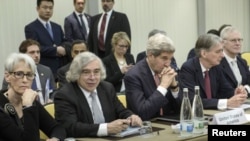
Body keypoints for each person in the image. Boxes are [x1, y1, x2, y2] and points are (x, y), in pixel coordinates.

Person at [54, 52, 142, 137]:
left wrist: (131, 116)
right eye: (86, 72)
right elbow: (70, 128)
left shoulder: (107, 88)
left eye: (96, 72)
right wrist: (105, 129)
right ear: (76, 74)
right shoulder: (64, 95)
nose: (92, 77)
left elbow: (121, 110)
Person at [0, 53, 66, 141]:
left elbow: (57, 128)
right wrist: (28, 107)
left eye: (29, 75)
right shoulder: (2, 106)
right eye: (19, 74)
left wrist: (55, 139)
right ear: (7, 77)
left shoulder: (31, 102)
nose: (25, 80)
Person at [179, 34, 248, 110]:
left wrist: (236, 92)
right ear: (204, 53)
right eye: (218, 52)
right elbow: (192, 100)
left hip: (213, 113)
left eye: (222, 51)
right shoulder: (188, 68)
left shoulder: (216, 66)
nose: (222, 55)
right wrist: (226, 103)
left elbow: (225, 90)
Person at [124, 33, 180, 120]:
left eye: (171, 59)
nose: (168, 64)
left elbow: (182, 110)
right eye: (164, 58)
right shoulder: (133, 76)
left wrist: (174, 88)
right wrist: (163, 86)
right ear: (150, 55)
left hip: (169, 123)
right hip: (147, 127)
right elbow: (142, 113)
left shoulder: (169, 70)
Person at [2, 39, 56, 105]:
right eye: (32, 52)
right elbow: (5, 95)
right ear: (22, 55)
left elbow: (53, 91)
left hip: (44, 107)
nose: (36, 55)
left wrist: (52, 100)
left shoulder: (46, 70)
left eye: (38, 52)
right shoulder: (12, 71)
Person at [25, 0, 69, 78]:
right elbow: (35, 48)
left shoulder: (57, 27)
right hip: (44, 68)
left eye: (50, 8)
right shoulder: (31, 28)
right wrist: (55, 50)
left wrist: (64, 48)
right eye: (45, 7)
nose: (48, 10)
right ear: (37, 9)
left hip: (61, 68)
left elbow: (64, 41)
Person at [219, 26, 250, 96]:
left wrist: (245, 89)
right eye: (233, 40)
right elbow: (221, 89)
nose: (238, 43)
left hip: (243, 102)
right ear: (223, 43)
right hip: (226, 103)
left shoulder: (242, 61)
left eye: (239, 40)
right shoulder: (217, 62)